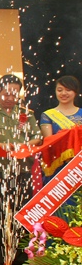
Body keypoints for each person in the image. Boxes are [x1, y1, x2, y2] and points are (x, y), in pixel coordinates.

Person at [0, 74, 42, 265]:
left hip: (21, 171)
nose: (9, 98)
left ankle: (20, 257)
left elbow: (37, 138)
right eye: (6, 93)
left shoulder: (25, 114)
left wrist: (21, 146)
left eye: (14, 94)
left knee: (20, 214)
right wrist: (0, 145)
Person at [39, 75, 82, 220]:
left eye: (68, 90)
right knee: (61, 210)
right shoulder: (48, 115)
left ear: (75, 92)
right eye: (60, 90)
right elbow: (49, 142)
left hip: (79, 167)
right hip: (58, 168)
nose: (64, 93)